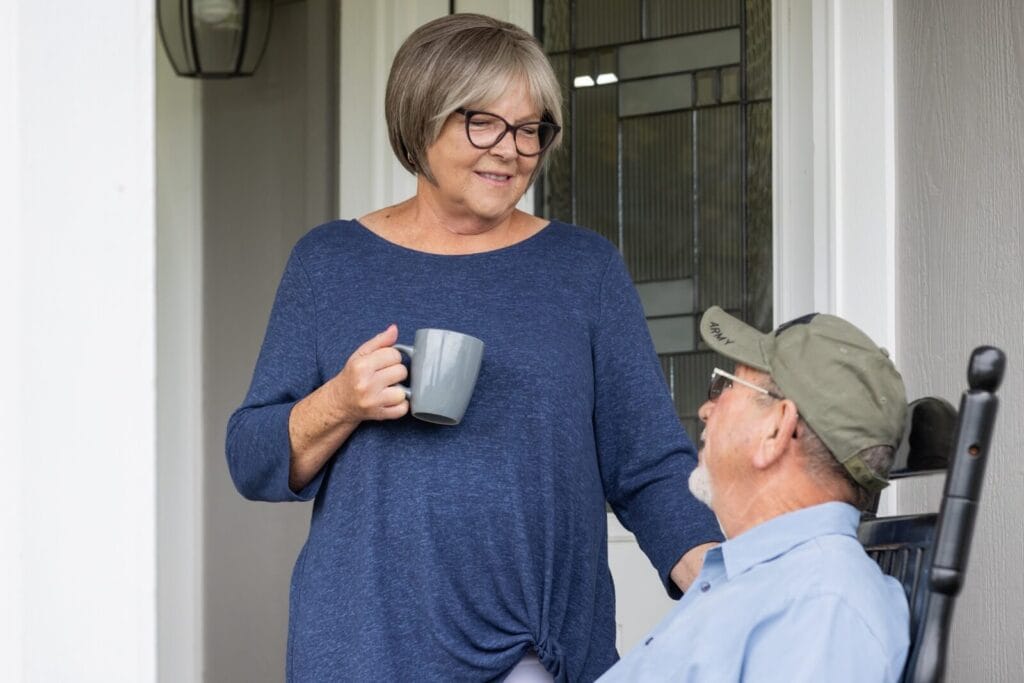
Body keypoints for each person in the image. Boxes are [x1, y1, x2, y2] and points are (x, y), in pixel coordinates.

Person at [225, 13, 720, 682]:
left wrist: (727, 585)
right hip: (361, 649)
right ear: (419, 118)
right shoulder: (330, 263)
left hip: (535, 651)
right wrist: (341, 401)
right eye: (482, 122)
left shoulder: (582, 270)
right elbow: (251, 457)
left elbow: (650, 467)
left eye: (530, 128)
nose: (510, 149)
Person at [599, 306, 912, 682]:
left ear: (778, 430)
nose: (704, 409)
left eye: (726, 385)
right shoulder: (766, 578)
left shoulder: (821, 610)